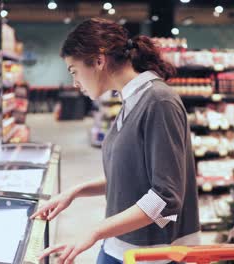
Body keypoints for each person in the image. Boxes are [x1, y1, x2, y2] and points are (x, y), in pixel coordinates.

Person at [31, 18, 200, 264]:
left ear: (99, 60)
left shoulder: (158, 101)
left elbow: (165, 199)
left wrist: (95, 231)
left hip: (154, 254)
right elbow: (133, 176)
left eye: (74, 71)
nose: (75, 83)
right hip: (122, 244)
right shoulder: (132, 99)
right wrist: (76, 192)